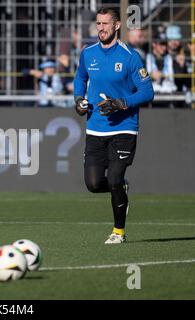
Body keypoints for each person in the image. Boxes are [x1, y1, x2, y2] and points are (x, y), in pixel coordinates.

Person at [73, 7, 154, 244]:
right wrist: (79, 100)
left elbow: (148, 92)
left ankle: (118, 232)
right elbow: (80, 78)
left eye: (105, 24)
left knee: (115, 177)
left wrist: (121, 103)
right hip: (95, 127)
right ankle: (121, 189)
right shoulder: (88, 53)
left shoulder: (130, 56)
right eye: (98, 24)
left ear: (117, 26)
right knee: (94, 184)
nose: (101, 28)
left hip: (124, 127)